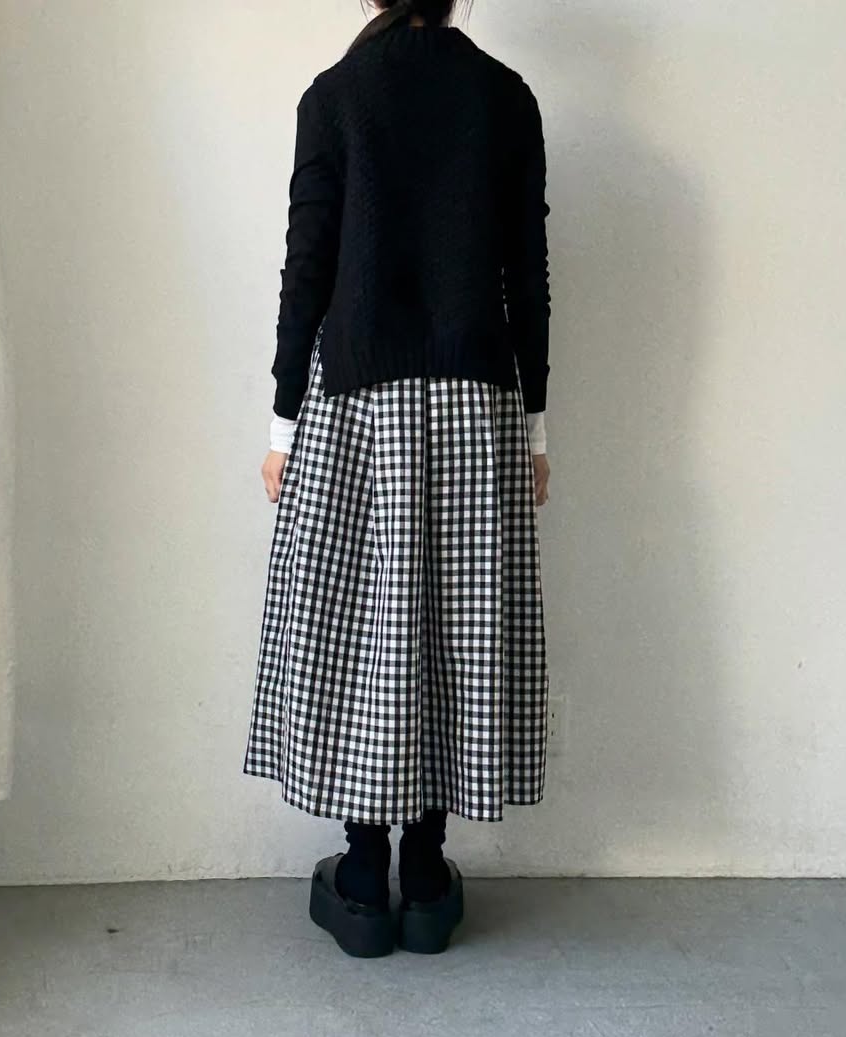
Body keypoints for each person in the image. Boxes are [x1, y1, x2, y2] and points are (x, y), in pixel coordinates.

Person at [244, 0, 552, 958]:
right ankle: (426, 868)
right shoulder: (506, 97)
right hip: (475, 398)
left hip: (356, 399)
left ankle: (362, 868)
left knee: (358, 626)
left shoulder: (335, 97)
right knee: (457, 624)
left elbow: (307, 269)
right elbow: (527, 274)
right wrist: (535, 428)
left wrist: (283, 422)